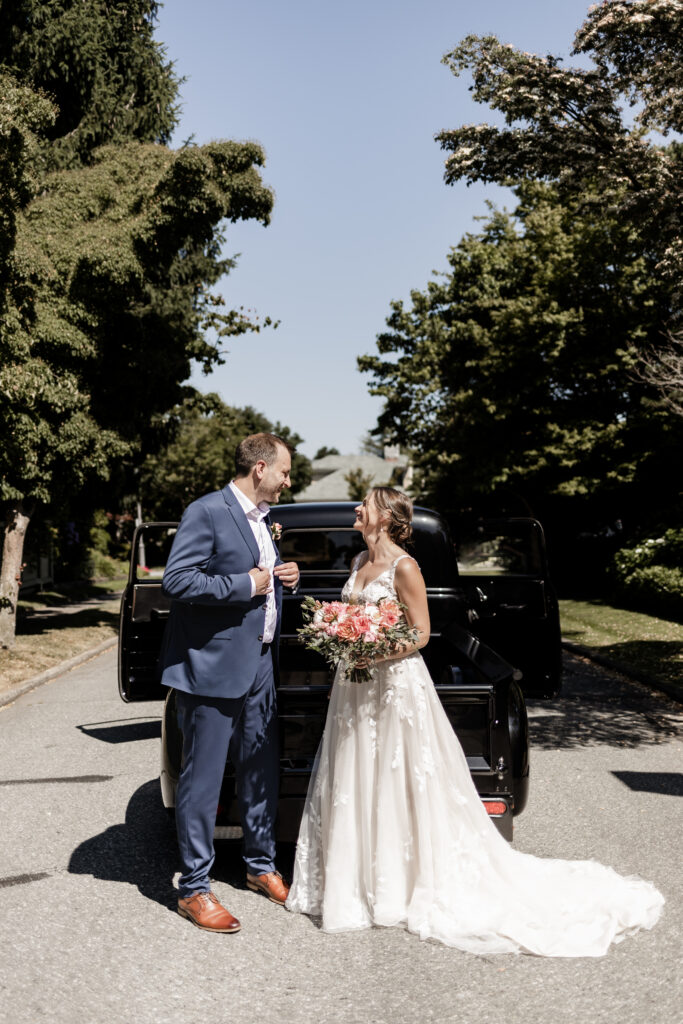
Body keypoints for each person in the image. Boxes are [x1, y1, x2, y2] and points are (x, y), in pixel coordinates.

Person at [285, 486, 664, 956]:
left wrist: (370, 649)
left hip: (393, 683)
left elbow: (420, 634)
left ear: (384, 517)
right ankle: (360, 883)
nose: (357, 510)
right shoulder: (358, 564)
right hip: (354, 685)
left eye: (365, 504)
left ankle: (399, 886)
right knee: (358, 774)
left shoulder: (404, 566)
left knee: (396, 775)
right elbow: (352, 615)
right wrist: (342, 635)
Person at [160, 433, 299, 933]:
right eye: (284, 472)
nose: (289, 480)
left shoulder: (262, 520)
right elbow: (177, 580)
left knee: (260, 769)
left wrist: (285, 578)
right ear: (259, 468)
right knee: (202, 781)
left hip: (260, 664)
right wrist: (248, 584)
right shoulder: (208, 510)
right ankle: (194, 889)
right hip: (211, 668)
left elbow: (259, 575)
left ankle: (260, 868)